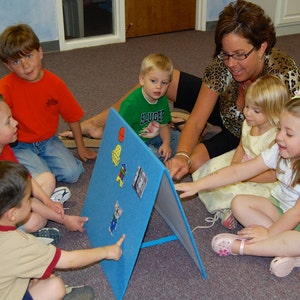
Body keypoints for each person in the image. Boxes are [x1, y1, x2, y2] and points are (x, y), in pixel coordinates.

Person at [60, 0, 300, 179]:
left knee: (192, 164)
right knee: (166, 80)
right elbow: (196, 121)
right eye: (225, 54)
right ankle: (95, 123)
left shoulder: (283, 75)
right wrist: (182, 153)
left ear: (262, 47)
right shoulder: (222, 66)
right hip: (225, 107)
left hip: (243, 132)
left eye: (240, 55)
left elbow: (287, 137)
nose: (231, 64)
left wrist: (183, 159)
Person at [175, 96, 300, 277]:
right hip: (280, 208)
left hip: (295, 218)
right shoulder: (278, 151)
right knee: (239, 203)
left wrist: (269, 232)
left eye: (288, 133)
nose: (278, 136)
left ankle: (244, 247)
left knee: (293, 240)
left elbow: (296, 213)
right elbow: (237, 172)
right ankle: (285, 250)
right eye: (280, 128)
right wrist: (197, 185)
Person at [0, 160, 125, 299]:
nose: (31, 202)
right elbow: (69, 260)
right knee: (55, 286)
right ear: (12, 214)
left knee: (40, 272)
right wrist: (107, 251)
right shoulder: (17, 246)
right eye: (27, 200)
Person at [0, 23, 97, 184]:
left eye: (29, 56)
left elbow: (72, 117)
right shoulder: (5, 87)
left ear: (40, 52)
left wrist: (81, 147)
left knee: (72, 174)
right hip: (19, 145)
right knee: (41, 178)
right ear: (8, 66)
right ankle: (35, 170)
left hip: (48, 141)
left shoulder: (55, 84)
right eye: (16, 62)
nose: (25, 66)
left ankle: (40, 167)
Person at [192, 74, 288, 230]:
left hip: (261, 177)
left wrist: (247, 177)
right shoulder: (248, 124)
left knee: (238, 191)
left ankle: (228, 211)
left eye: (256, 111)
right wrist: (235, 163)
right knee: (211, 169)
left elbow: (273, 174)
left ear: (273, 113)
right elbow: (242, 145)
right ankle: (224, 207)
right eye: (247, 106)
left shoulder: (275, 138)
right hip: (244, 162)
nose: (248, 113)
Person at [0, 95, 88, 239]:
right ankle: (24, 239)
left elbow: (25, 183)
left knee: (48, 178)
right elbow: (25, 199)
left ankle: (41, 211)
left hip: (10, 203)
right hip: (5, 216)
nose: (16, 122)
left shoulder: (4, 149)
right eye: (8, 121)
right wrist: (64, 219)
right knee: (35, 221)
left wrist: (48, 202)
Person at [119, 53, 179, 162]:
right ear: (142, 79)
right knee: (152, 157)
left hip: (155, 137)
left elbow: (164, 125)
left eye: (164, 83)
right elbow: (120, 132)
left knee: (179, 138)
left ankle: (162, 158)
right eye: (153, 81)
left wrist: (166, 143)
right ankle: (158, 160)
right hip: (137, 142)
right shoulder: (131, 104)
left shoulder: (162, 99)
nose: (159, 87)